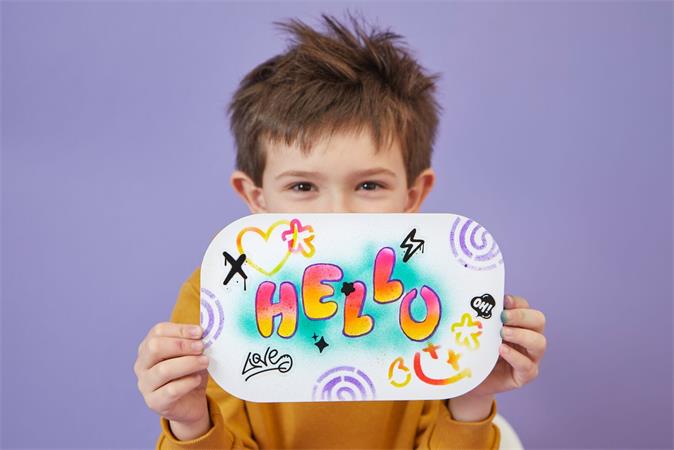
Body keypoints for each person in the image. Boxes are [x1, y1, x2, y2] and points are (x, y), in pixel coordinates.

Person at [134, 12, 547, 449]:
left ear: (413, 195)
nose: (336, 214)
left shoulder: (443, 292)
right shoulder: (218, 298)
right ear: (256, 198)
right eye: (302, 187)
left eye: (369, 185)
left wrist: (472, 394)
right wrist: (191, 421)